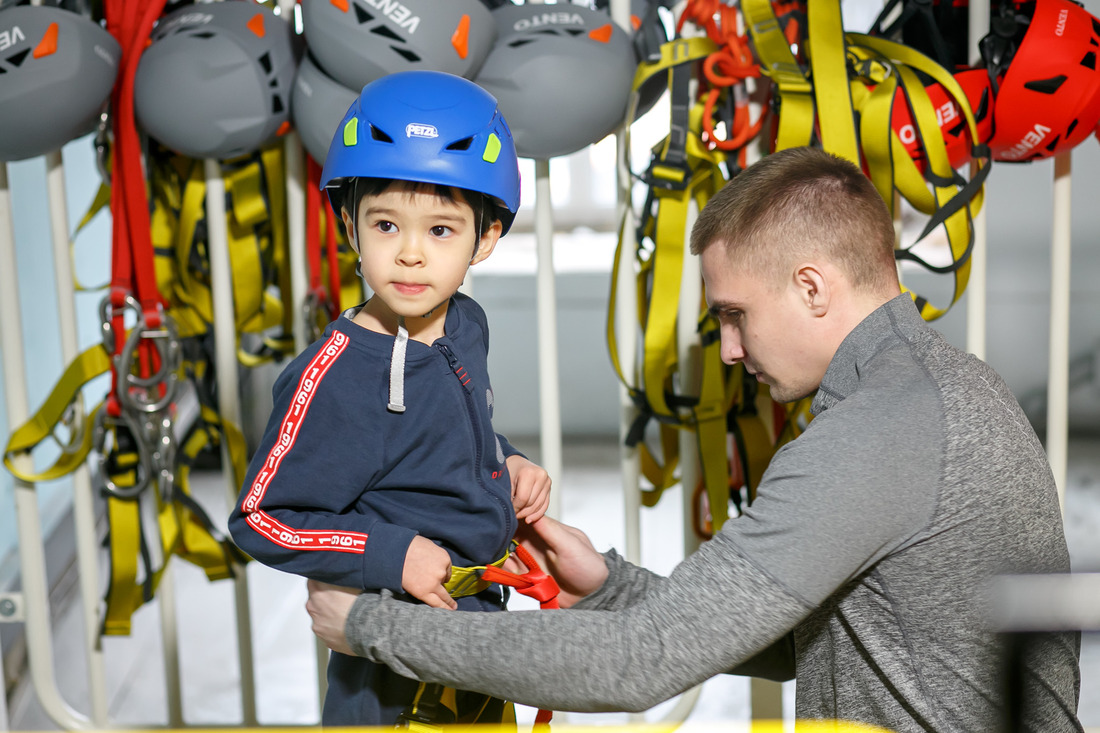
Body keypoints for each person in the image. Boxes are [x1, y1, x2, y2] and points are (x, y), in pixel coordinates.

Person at [305, 146, 1084, 732]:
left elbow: (640, 663)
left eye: (734, 314)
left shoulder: (877, 430)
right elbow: (804, 642)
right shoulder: (947, 387)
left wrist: (375, 627)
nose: (732, 350)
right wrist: (606, 587)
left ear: (810, 286)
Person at [228, 70, 551, 727]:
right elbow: (259, 517)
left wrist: (505, 461)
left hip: (478, 634)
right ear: (350, 225)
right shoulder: (335, 374)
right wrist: (387, 553)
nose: (409, 254)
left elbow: (450, 432)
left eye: (440, 230)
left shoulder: (465, 322)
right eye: (385, 224)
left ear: (484, 239)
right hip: (388, 666)